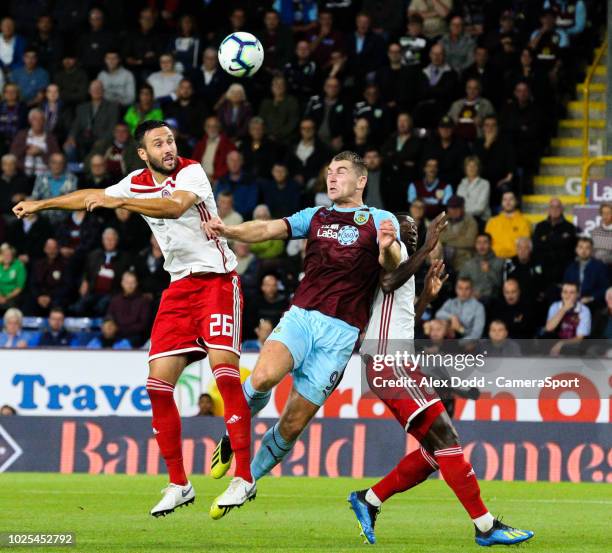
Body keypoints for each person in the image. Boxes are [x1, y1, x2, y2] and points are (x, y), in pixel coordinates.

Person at [13, 120, 254, 517]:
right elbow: (91, 195)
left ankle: (243, 478)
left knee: (224, 373)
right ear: (143, 154)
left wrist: (121, 202)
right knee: (158, 386)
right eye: (158, 144)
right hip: (178, 288)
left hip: (216, 281)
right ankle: (179, 484)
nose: (168, 148)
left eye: (170, 140)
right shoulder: (135, 181)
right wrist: (42, 205)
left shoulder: (191, 172)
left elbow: (174, 206)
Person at [203, 151, 402, 519]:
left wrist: (388, 248)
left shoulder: (381, 220)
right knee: (262, 377)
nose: (332, 177)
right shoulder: (316, 216)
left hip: (341, 336)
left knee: (293, 423)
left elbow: (391, 269)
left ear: (361, 181)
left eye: (341, 172)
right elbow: (265, 228)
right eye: (329, 172)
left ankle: (246, 481)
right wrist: (228, 230)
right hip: (302, 317)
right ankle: (233, 437)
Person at [349, 212, 533, 547]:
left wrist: (425, 300)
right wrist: (428, 247)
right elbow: (388, 282)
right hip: (389, 364)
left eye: (413, 229)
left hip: (394, 362)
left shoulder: (404, 263)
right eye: (402, 225)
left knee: (436, 451)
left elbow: (397, 319)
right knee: (447, 438)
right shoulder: (390, 253)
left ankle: (369, 499)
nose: (408, 231)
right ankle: (485, 526)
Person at [65, 80, 119, 161]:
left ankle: (86, 168)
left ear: (103, 91)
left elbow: (112, 129)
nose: (96, 91)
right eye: (94, 89)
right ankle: (77, 170)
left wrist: (102, 141)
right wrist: (71, 137)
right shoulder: (82, 108)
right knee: (69, 147)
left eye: (99, 89)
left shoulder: (112, 107)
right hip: (83, 140)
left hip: (101, 140)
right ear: (89, 91)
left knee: (98, 148)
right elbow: (76, 126)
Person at [532, 198, 577, 283]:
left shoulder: (570, 227)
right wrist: (559, 240)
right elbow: (536, 247)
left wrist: (548, 240)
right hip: (544, 270)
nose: (555, 209)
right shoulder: (540, 226)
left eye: (558, 207)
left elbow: (571, 249)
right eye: (552, 207)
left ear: (562, 209)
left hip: (564, 269)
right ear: (548, 209)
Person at [10, 108, 60, 178]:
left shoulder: (51, 137)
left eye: (41, 119)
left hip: (45, 174)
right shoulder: (21, 135)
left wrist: (41, 152)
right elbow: (13, 154)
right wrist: (26, 148)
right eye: (35, 119)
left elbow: (57, 158)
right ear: (30, 121)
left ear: (44, 121)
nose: (38, 122)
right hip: (23, 173)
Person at [107, 271, 152, 347]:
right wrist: (108, 325)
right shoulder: (115, 300)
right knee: (97, 342)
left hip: (135, 337)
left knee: (122, 345)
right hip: (116, 335)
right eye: (127, 282)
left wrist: (120, 329)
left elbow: (143, 325)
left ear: (136, 284)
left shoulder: (143, 301)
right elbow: (109, 317)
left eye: (132, 283)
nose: (130, 285)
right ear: (122, 283)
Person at [545, 282, 591, 356]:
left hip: (573, 343)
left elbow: (580, 338)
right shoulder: (555, 306)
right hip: (555, 340)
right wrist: (564, 309)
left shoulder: (584, 310)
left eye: (572, 292)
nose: (567, 295)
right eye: (565, 292)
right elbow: (549, 328)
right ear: (561, 294)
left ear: (577, 294)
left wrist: (562, 343)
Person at [31, 153, 77, 224]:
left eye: (60, 163)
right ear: (49, 163)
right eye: (54, 162)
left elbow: (74, 202)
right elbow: (34, 198)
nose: (57, 166)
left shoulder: (72, 179)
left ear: (64, 165)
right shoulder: (41, 178)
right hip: (43, 220)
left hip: (65, 221)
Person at [562, 237, 609, 307]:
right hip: (572, 301)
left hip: (593, 303)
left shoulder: (600, 266)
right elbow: (565, 286)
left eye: (587, 248)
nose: (583, 251)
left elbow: (605, 288)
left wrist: (591, 298)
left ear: (592, 250)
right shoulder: (571, 267)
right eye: (580, 247)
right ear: (576, 249)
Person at [459, 233, 504, 303]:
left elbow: (500, 284)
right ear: (475, 245)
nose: (482, 246)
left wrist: (489, 271)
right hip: (471, 298)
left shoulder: (499, 261)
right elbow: (460, 284)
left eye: (485, 242)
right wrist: (470, 293)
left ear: (490, 244)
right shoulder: (469, 264)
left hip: (491, 300)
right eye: (479, 242)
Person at [485, 191, 531, 259]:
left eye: (511, 199)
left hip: (516, 259)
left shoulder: (524, 221)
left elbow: (524, 244)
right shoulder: (492, 221)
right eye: (505, 199)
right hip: (494, 259)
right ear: (501, 202)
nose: (508, 202)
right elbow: (486, 242)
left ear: (516, 202)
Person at [447, 78, 495, 143]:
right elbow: (447, 123)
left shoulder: (486, 104)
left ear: (479, 90)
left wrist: (482, 123)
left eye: (475, 88)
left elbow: (494, 124)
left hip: (478, 140)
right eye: (469, 88)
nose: (472, 91)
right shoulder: (456, 104)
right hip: (457, 141)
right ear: (466, 89)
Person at [192, 116, 237, 184]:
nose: (211, 129)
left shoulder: (228, 144)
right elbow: (193, 161)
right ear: (205, 128)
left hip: (218, 180)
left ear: (219, 128)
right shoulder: (200, 144)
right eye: (209, 126)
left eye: (214, 126)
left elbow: (230, 165)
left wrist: (214, 177)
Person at [215, 152, 259, 220]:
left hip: (244, 220)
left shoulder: (250, 181)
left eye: (237, 160)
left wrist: (232, 213)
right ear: (227, 162)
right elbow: (215, 201)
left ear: (241, 162)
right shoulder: (221, 181)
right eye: (231, 160)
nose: (234, 163)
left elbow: (251, 206)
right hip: (222, 218)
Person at [440, 195, 477, 273]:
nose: (453, 211)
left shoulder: (471, 221)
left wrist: (447, 240)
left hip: (463, 256)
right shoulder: (443, 219)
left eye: (456, 208)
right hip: (443, 254)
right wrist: (458, 237)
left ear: (462, 208)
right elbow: (439, 237)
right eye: (451, 208)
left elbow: (470, 242)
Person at [258, 75, 300, 144]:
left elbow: (292, 122)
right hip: (267, 138)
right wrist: (268, 134)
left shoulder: (292, 102)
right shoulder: (266, 103)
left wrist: (277, 135)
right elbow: (261, 121)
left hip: (285, 139)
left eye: (281, 84)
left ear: (285, 87)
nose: (278, 86)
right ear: (272, 87)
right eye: (276, 84)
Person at [456, 155, 490, 221]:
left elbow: (480, 209)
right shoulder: (461, 184)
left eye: (474, 166)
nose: (471, 168)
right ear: (465, 168)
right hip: (463, 218)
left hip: (480, 219)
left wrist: (462, 212)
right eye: (469, 166)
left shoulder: (485, 184)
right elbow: (458, 204)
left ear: (478, 168)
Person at [0, 242, 26, 312]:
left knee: (11, 304)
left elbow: (19, 287)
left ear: (13, 256)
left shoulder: (19, 266)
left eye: (9, 255)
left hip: (13, 296)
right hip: (0, 295)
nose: (7, 257)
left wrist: (6, 297)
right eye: (4, 255)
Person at [591, 203, 612, 267]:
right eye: (603, 213)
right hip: (596, 268)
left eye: (608, 213)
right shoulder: (595, 231)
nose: (605, 216)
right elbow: (591, 251)